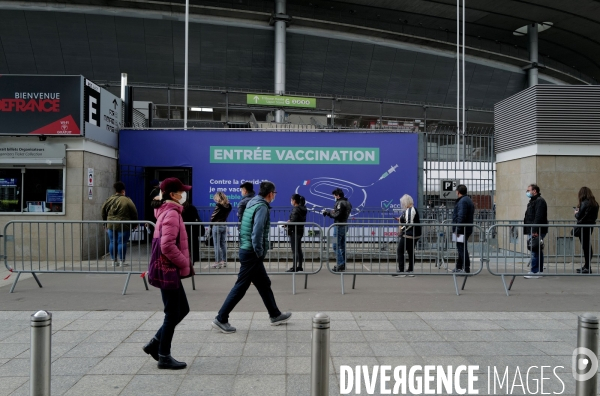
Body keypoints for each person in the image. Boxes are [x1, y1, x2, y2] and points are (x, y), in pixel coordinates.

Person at [212, 181, 291, 334]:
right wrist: (259, 251)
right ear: (270, 193)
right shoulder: (262, 207)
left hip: (246, 249)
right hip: (252, 252)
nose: (274, 195)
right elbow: (258, 230)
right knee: (241, 286)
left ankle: (275, 314)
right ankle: (221, 318)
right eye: (275, 193)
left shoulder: (252, 203)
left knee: (264, 283)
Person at [142, 177, 192, 370]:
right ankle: (163, 355)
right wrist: (184, 261)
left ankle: (155, 343)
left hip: (166, 269)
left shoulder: (167, 212)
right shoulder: (171, 214)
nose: (184, 194)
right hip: (169, 269)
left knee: (182, 309)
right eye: (182, 191)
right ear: (173, 194)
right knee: (173, 312)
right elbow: (167, 246)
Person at [101, 181, 139, 266]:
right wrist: (134, 223)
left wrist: (105, 223)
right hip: (124, 224)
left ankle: (113, 261)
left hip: (111, 224)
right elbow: (134, 212)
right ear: (123, 191)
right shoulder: (127, 200)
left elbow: (103, 211)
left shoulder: (109, 199)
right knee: (122, 242)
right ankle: (122, 261)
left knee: (112, 242)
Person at [323, 188, 353, 272]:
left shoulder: (340, 203)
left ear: (338, 196)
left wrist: (328, 213)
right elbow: (340, 213)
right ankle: (342, 264)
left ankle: (340, 264)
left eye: (334, 196)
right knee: (342, 246)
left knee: (335, 246)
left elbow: (337, 215)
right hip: (345, 224)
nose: (334, 197)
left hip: (339, 225)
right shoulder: (348, 203)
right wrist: (333, 212)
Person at [523, 183, 548, 279]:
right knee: (537, 250)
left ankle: (534, 271)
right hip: (534, 229)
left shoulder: (539, 201)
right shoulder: (533, 201)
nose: (527, 192)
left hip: (536, 230)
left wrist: (535, 230)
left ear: (534, 191)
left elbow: (538, 216)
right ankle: (538, 270)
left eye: (529, 190)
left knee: (534, 250)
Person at [394, 194, 421, 277]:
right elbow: (409, 220)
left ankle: (402, 271)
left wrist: (402, 230)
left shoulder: (410, 210)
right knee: (410, 251)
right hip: (413, 234)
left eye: (402, 203)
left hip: (409, 234)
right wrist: (401, 220)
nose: (402, 204)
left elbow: (409, 223)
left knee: (400, 250)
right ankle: (410, 270)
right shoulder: (411, 210)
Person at [574, 187, 599, 274]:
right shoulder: (595, 203)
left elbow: (579, 216)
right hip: (590, 226)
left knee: (586, 246)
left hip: (583, 226)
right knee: (587, 246)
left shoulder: (584, 203)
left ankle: (587, 267)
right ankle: (587, 266)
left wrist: (576, 212)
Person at [451, 184, 475, 274]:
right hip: (465, 228)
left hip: (461, 229)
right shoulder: (467, 200)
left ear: (458, 192)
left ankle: (466, 268)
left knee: (461, 248)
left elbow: (461, 216)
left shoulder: (462, 201)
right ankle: (459, 267)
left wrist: (457, 229)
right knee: (461, 247)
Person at [210, 192, 232, 268]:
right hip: (224, 225)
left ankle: (217, 262)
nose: (215, 200)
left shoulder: (218, 205)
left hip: (217, 225)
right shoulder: (229, 206)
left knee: (216, 244)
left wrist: (210, 225)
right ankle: (224, 261)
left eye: (216, 199)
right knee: (223, 244)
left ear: (218, 198)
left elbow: (213, 216)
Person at [286, 194, 307, 272]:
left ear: (294, 200)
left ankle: (295, 267)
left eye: (292, 200)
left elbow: (293, 220)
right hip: (300, 230)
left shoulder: (296, 209)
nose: (291, 201)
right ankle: (300, 266)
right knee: (298, 249)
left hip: (294, 231)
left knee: (295, 250)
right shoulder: (303, 209)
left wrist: (287, 224)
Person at [181, 200, 204, 264]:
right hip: (192, 232)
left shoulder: (179, 208)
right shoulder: (191, 208)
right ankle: (191, 263)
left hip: (183, 232)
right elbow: (197, 219)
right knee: (192, 248)